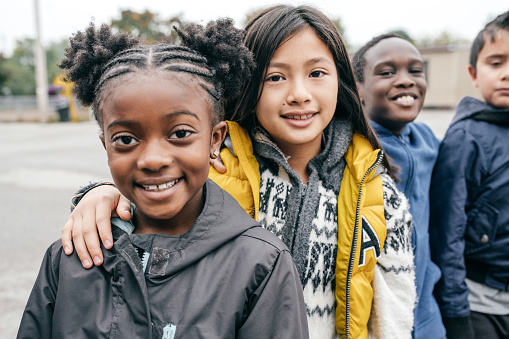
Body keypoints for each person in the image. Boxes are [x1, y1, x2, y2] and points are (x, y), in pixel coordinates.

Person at [61, 5, 416, 338]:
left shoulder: (376, 190)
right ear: (248, 83)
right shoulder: (216, 169)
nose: (299, 94)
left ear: (341, 80)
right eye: (276, 77)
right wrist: (104, 194)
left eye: (317, 73)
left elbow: (394, 307)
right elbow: (151, 195)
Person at [17, 19, 309, 339]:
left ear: (215, 140)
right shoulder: (70, 257)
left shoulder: (262, 265)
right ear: (105, 146)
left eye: (180, 134)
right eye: (126, 139)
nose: (153, 159)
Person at [352, 34, 445, 339]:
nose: (405, 80)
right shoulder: (353, 147)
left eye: (416, 71)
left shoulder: (429, 141)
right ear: (359, 88)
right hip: (379, 318)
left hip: (427, 313)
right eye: (387, 72)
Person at [429, 11, 509, 339]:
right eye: (496, 63)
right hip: (479, 303)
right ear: (474, 73)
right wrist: (455, 311)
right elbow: (447, 229)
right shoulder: (467, 137)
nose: (507, 74)